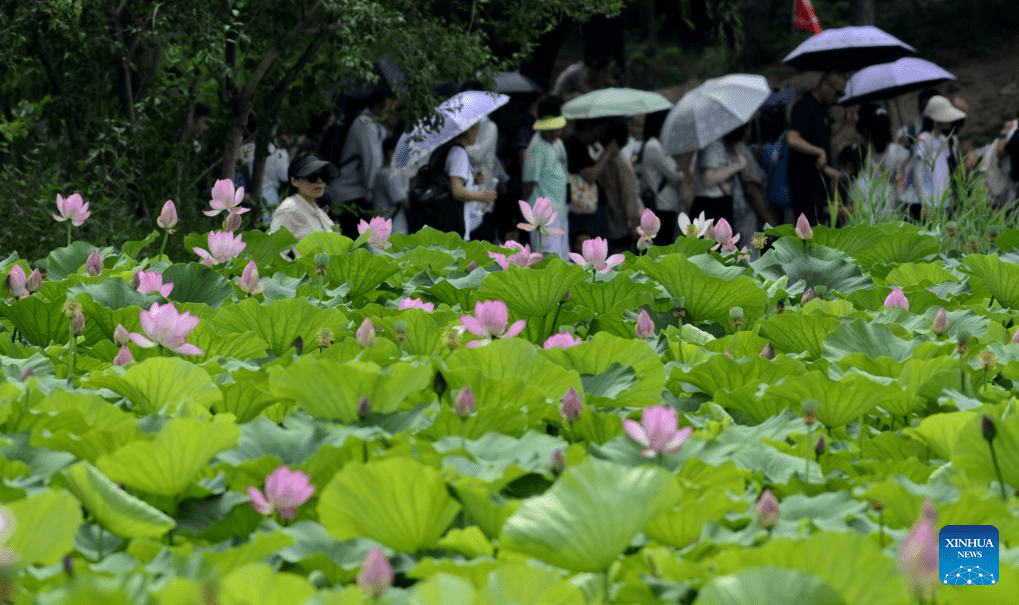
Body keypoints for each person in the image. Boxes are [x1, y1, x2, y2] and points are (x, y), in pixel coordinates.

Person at [328, 86, 399, 238]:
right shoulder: (365, 124)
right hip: (349, 196)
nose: (394, 111)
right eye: (391, 104)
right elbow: (372, 166)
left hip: (356, 196)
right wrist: (378, 196)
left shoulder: (378, 127)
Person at [786, 71, 849, 224]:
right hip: (804, 185)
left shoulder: (822, 109)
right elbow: (792, 139)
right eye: (837, 93)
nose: (837, 98)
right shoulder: (804, 106)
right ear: (825, 85)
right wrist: (819, 151)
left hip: (819, 184)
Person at [903, 95, 966, 219]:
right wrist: (924, 203)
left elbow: (943, 171)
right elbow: (918, 174)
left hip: (941, 201)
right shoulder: (924, 140)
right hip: (925, 203)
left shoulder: (943, 140)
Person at [522, 97, 570, 258]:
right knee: (547, 258)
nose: (554, 133)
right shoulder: (537, 147)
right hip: (544, 218)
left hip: (560, 212)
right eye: (550, 129)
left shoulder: (558, 144)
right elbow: (527, 185)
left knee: (561, 259)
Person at [564, 119, 616, 251]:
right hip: (583, 211)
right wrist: (608, 153)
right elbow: (591, 176)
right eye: (599, 130)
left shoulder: (584, 146)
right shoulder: (574, 146)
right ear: (588, 128)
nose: (601, 135)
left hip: (589, 208)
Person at [853, 103, 910, 218]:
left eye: (882, 131)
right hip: (874, 206)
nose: (879, 135)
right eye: (876, 131)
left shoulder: (900, 153)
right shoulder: (867, 155)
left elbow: (905, 182)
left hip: (895, 206)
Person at [636, 109, 684, 245]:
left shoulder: (650, 144)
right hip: (663, 203)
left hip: (662, 203)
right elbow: (677, 176)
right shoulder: (655, 147)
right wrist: (678, 169)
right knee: (663, 244)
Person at [447, 123, 498, 239]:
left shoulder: (453, 150)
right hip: (457, 227)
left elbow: (452, 183)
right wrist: (482, 196)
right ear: (469, 130)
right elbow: (457, 191)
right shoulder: (459, 154)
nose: (478, 133)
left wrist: (472, 180)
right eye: (477, 129)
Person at [269, 153, 339, 239]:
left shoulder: (318, 212)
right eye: (312, 177)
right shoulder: (288, 210)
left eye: (324, 176)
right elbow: (275, 249)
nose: (319, 181)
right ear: (294, 181)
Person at [690, 126, 748, 228]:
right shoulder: (711, 147)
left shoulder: (721, 146)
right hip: (710, 204)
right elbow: (708, 178)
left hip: (720, 202)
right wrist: (737, 165)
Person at [373, 134, 409, 234]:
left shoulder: (381, 173)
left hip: (382, 227)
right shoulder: (390, 175)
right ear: (391, 153)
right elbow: (405, 202)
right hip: (393, 230)